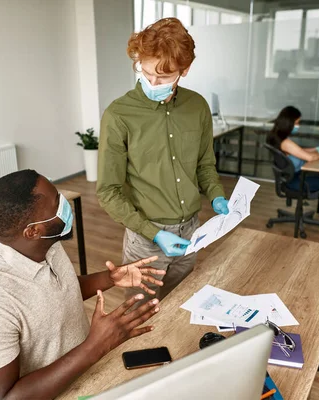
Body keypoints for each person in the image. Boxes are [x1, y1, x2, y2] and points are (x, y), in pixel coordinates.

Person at [0, 169, 164, 399]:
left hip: (92, 370)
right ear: (33, 231)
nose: (65, 204)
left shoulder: (46, 244)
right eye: (57, 202)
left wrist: (109, 279)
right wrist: (93, 347)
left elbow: (57, 292)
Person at [97, 18, 228, 303]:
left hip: (192, 231)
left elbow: (204, 164)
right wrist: (153, 233)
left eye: (164, 76)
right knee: (139, 313)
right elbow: (108, 192)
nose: (152, 83)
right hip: (146, 239)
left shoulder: (197, 107)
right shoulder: (119, 115)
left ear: (185, 70)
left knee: (177, 304)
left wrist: (217, 195)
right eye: (145, 72)